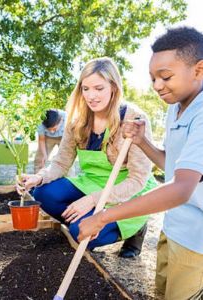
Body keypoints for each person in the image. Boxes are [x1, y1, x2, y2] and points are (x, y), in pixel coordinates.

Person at [78, 27, 203, 300]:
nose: (157, 85)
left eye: (166, 76)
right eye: (153, 78)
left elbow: (182, 187)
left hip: (198, 242)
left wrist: (102, 216)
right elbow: (172, 165)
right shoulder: (176, 107)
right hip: (174, 228)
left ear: (199, 69)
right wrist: (142, 141)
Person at [17, 57, 157, 258]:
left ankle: (134, 229)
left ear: (114, 88)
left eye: (99, 88)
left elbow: (137, 180)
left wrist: (93, 200)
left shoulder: (134, 119)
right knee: (42, 193)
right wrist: (38, 177)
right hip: (93, 182)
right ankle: (83, 223)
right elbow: (61, 162)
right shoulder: (78, 121)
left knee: (78, 232)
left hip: (127, 190)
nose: (91, 96)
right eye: (86, 89)